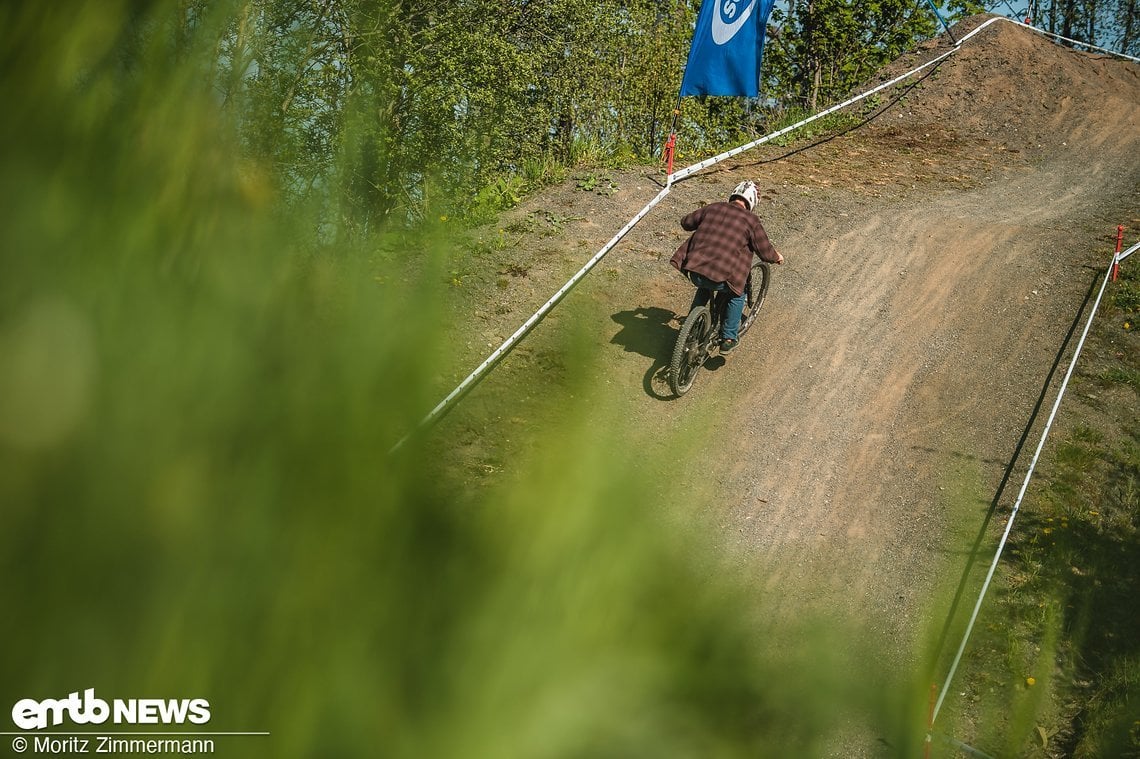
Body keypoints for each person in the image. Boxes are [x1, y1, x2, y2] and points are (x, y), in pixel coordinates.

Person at [669, 180, 784, 354]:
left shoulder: (713, 208)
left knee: (705, 284)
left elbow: (686, 223)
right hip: (721, 277)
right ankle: (729, 337)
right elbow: (765, 252)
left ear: (734, 194)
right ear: (751, 202)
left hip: (694, 270)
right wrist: (777, 257)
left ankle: (691, 326)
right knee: (738, 294)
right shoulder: (751, 221)